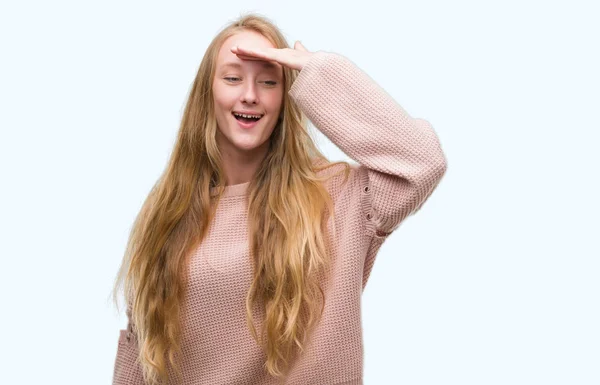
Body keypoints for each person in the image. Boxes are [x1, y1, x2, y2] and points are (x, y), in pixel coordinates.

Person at [111, 12, 447, 385]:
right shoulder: (167, 212)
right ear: (208, 93)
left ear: (287, 97)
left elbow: (422, 161)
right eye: (233, 78)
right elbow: (138, 355)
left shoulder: (338, 197)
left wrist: (321, 73)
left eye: (268, 81)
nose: (250, 95)